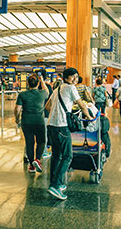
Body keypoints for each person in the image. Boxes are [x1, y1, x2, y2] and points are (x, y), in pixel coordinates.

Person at [45, 67, 93, 200]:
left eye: (76, 77)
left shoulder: (57, 89)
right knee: (67, 156)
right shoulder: (71, 88)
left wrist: (56, 114)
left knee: (56, 155)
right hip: (61, 126)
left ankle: (56, 183)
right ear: (66, 78)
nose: (75, 79)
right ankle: (55, 186)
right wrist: (89, 118)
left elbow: (47, 107)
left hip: (51, 125)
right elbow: (82, 105)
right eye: (73, 77)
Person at [14, 74, 49, 173]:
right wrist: (42, 81)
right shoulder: (42, 93)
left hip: (26, 122)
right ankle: (37, 159)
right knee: (41, 142)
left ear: (28, 84)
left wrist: (17, 119)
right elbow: (47, 91)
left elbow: (17, 109)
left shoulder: (22, 94)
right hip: (39, 121)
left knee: (29, 143)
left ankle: (31, 166)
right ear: (38, 84)